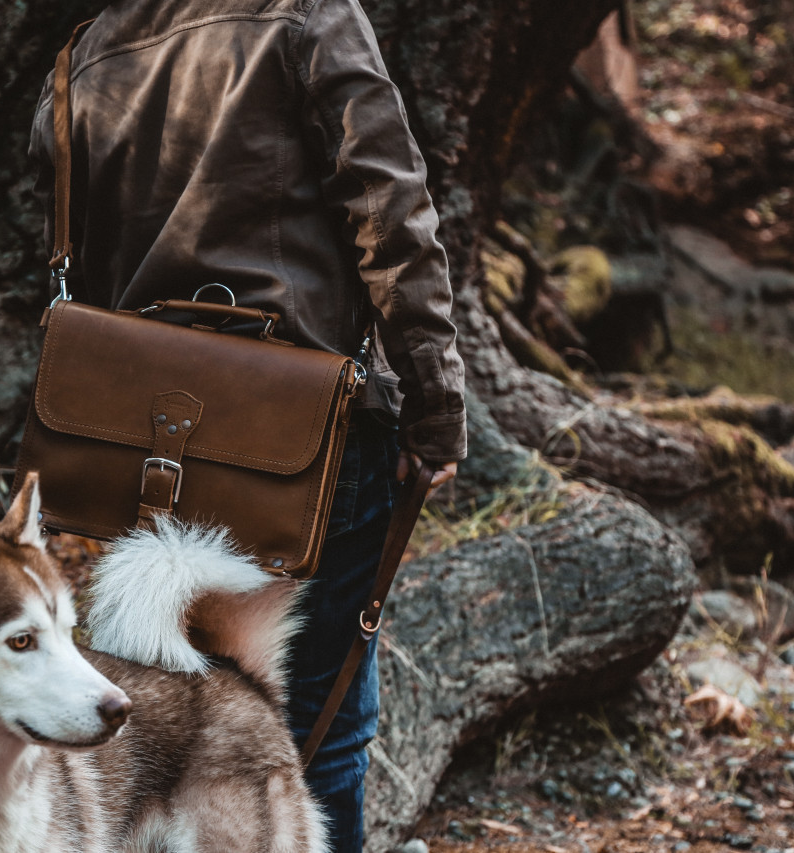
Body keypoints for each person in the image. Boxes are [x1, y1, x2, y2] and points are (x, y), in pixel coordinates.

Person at [28, 0, 466, 848]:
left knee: (165, 730)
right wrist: (436, 412)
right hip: (301, 443)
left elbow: (69, 260)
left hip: (141, 444)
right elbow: (396, 217)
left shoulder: (85, 51)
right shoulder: (309, 17)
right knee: (319, 724)